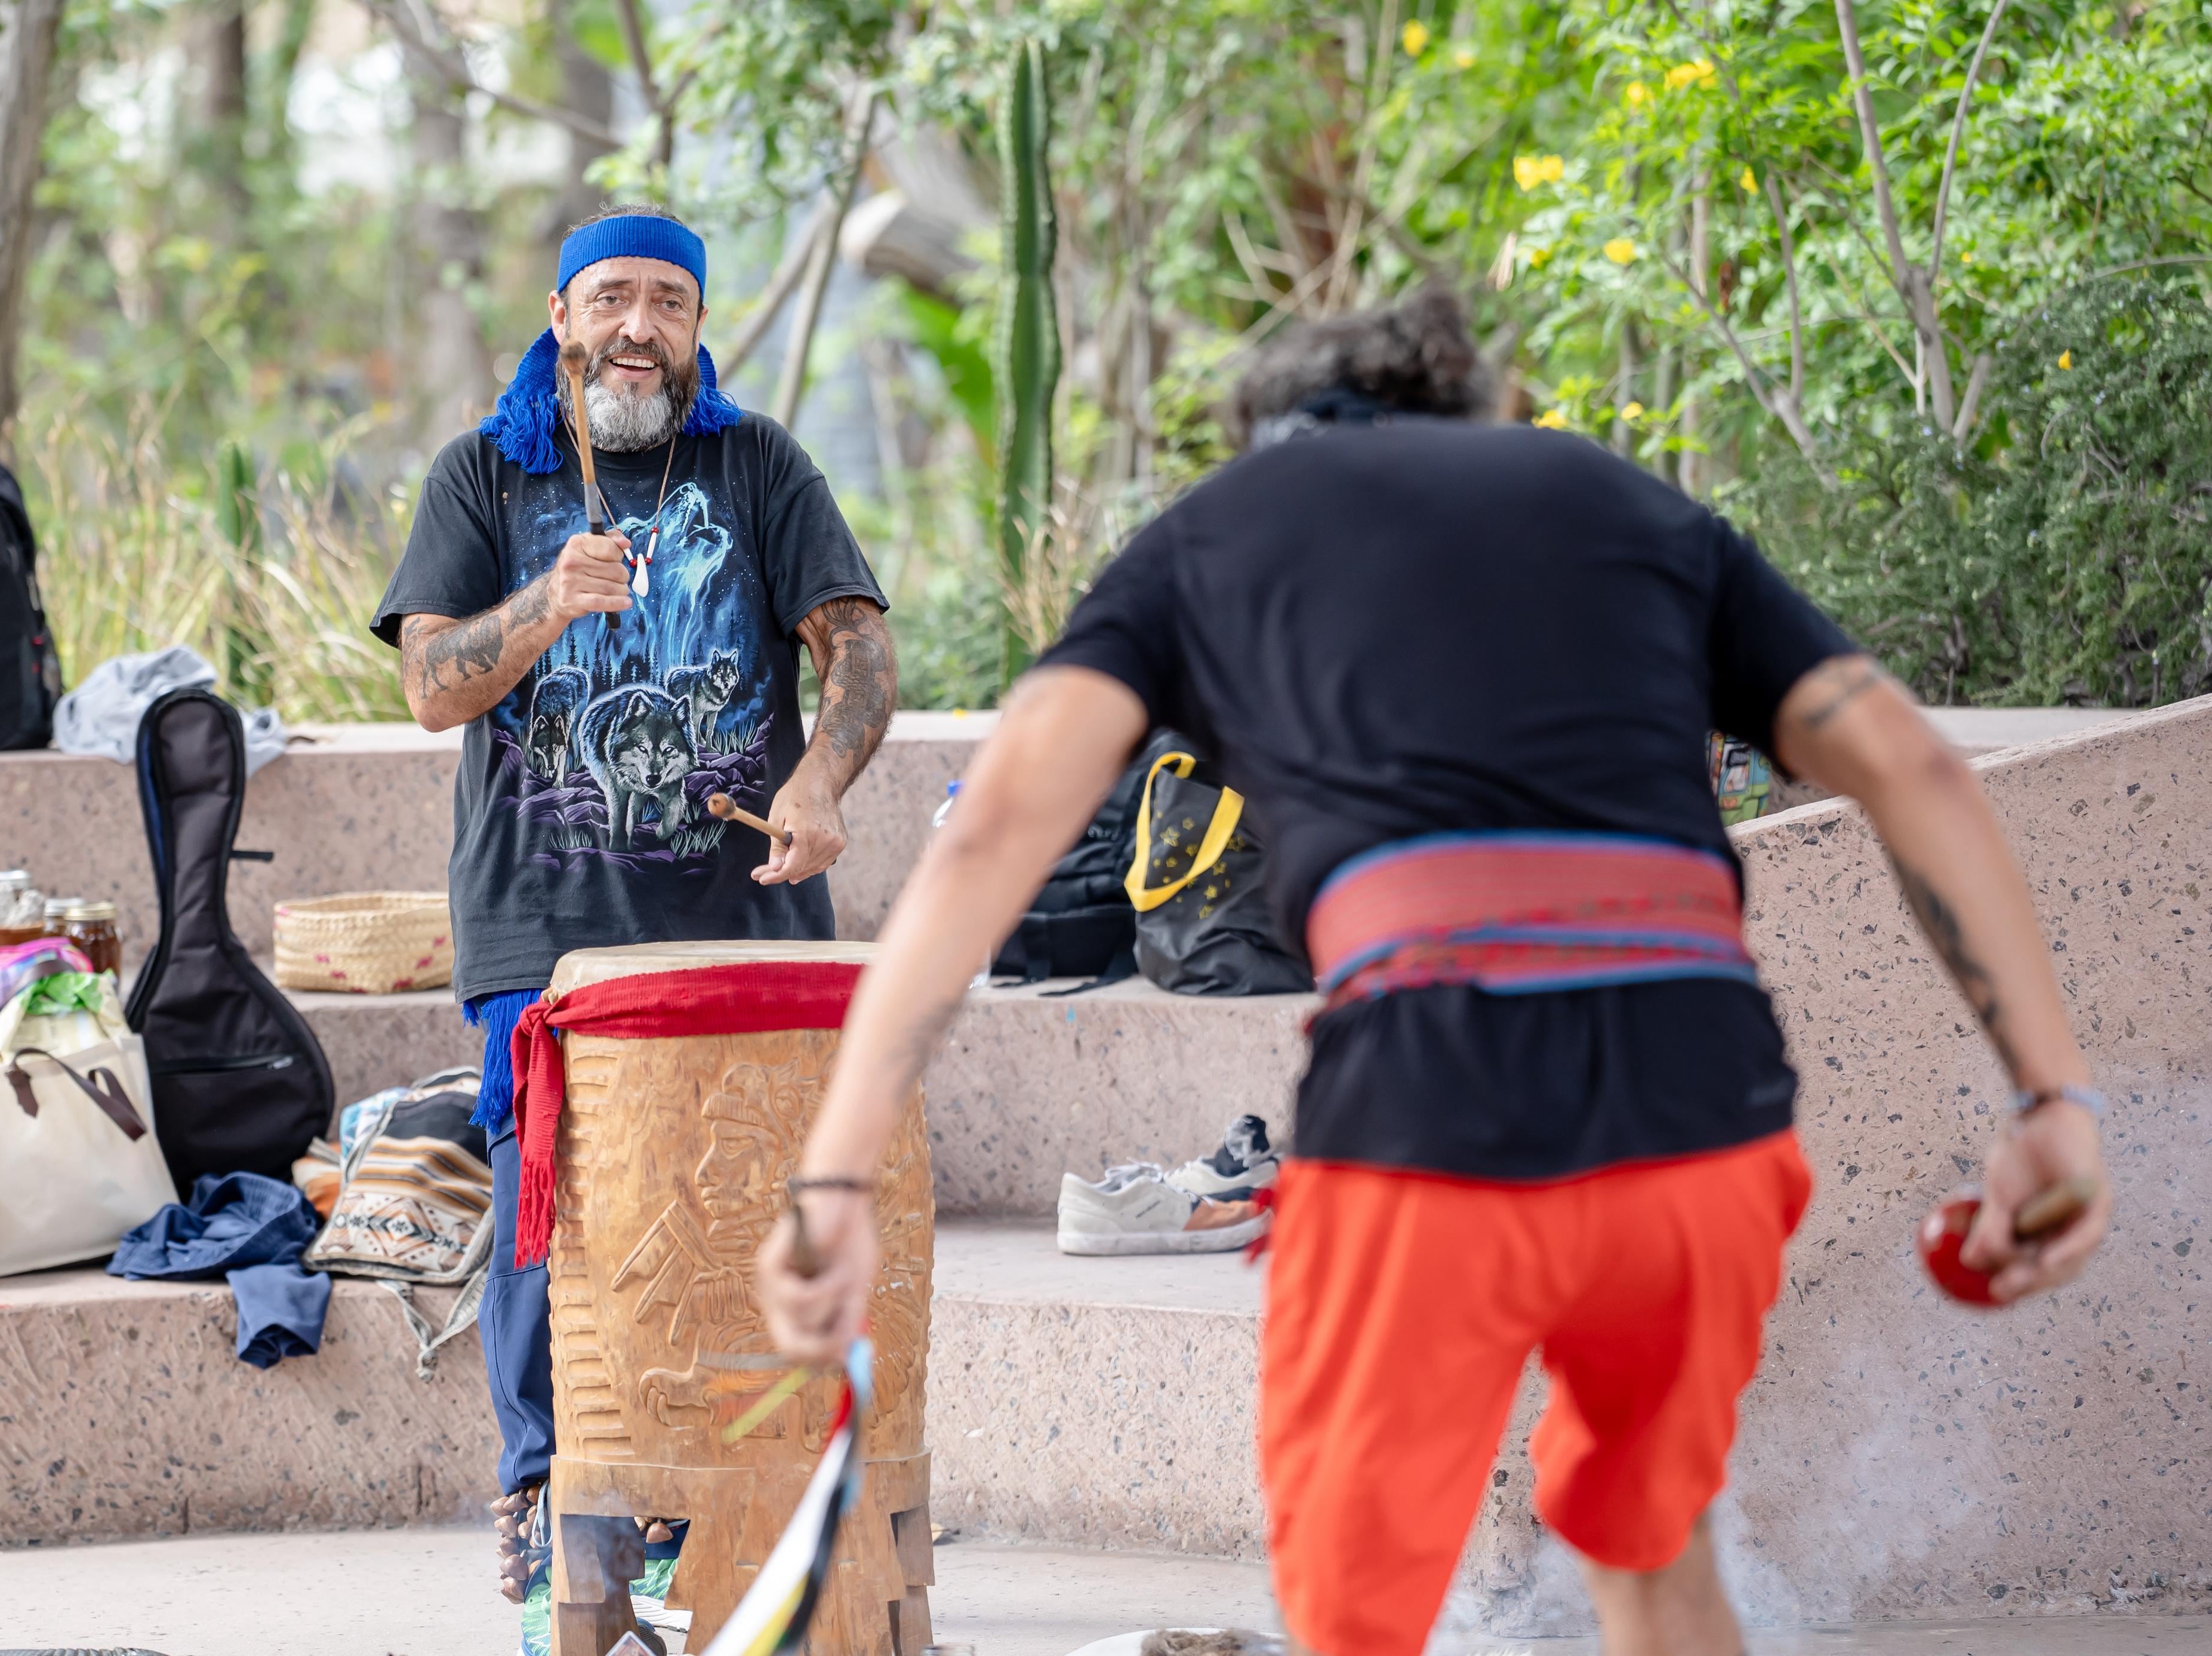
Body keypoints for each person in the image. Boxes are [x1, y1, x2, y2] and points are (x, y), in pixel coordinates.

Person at [753, 287, 2110, 1655]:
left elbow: (993, 827)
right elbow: (1912, 767)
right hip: (1701, 1104)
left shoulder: (1223, 529)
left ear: (1268, 432)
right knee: (1649, 1549)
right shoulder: (1622, 503)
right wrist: (2050, 1100)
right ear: (1465, 411)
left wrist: (838, 1169)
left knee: (1357, 1622)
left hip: (1427, 1103)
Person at [368, 204, 896, 1634]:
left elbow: (856, 647)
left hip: (743, 928)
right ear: (560, 316)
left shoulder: (756, 460)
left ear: (700, 322)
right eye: (612, 298)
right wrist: (547, 602)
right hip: (550, 938)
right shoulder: (485, 472)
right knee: (560, 1242)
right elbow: (429, 688)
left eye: (669, 299)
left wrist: (822, 773)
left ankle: (725, 1528)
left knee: (747, 1229)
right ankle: (561, 1546)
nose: (639, 326)